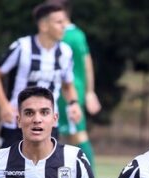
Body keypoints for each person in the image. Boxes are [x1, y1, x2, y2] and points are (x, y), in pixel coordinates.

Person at [0, 2, 82, 149]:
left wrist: (74, 104)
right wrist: (4, 105)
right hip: (17, 122)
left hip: (49, 123)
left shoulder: (66, 52)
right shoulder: (22, 47)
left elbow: (68, 86)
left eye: (65, 22)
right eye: (59, 22)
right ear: (43, 26)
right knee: (10, 163)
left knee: (48, 163)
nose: (64, 26)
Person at [53, 0, 102, 166]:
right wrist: (89, 92)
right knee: (64, 136)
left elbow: (86, 63)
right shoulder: (77, 34)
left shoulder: (69, 36)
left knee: (77, 134)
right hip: (68, 90)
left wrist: (90, 92)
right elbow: (87, 62)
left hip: (68, 92)